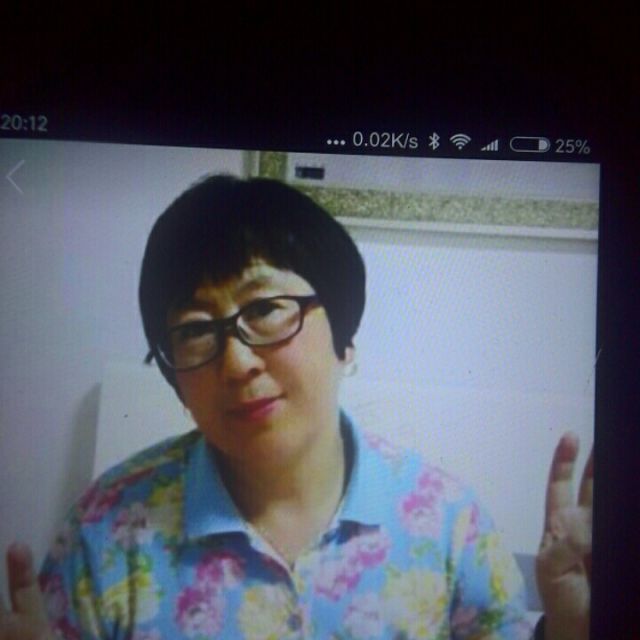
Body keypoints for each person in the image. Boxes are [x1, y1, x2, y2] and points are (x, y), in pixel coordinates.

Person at [0, 176, 592, 639]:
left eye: (264, 310)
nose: (237, 363)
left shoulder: (448, 527)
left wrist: (569, 631)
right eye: (196, 330)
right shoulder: (104, 534)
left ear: (345, 339)